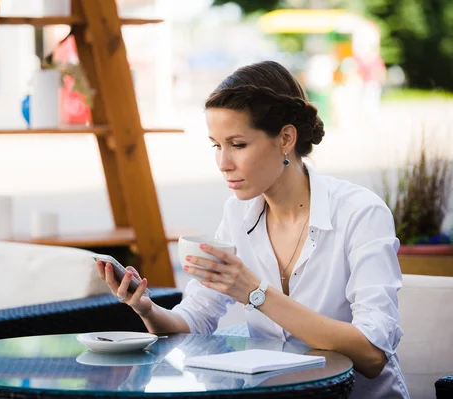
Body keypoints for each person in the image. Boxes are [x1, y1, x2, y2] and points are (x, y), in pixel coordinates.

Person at [96, 60, 409, 399]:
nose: (223, 163)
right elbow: (194, 321)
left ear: (286, 138)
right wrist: (146, 308)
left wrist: (254, 292)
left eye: (238, 144)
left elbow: (372, 354)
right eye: (216, 145)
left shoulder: (360, 213)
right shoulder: (238, 213)